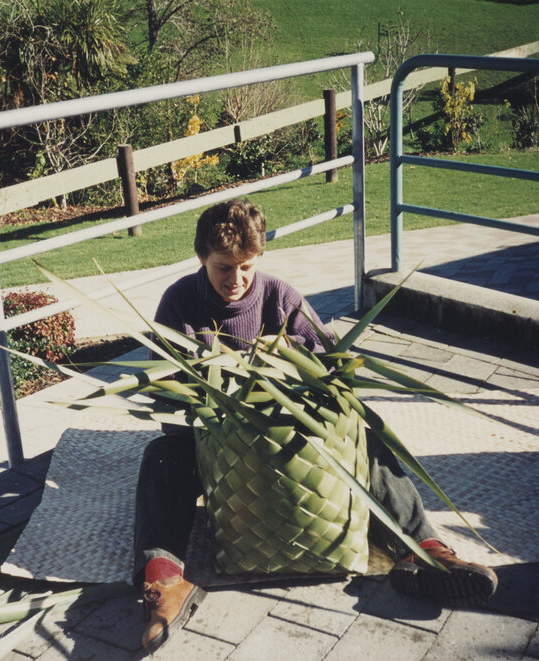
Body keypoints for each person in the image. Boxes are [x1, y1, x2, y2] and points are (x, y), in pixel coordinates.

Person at [135, 199, 498, 653]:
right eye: (222, 268)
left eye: (246, 267)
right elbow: (164, 396)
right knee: (160, 457)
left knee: (366, 438)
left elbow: (335, 370)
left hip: (292, 442)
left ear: (259, 258)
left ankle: (423, 551)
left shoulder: (279, 297)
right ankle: (164, 581)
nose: (236, 280)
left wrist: (289, 367)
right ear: (201, 259)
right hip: (216, 446)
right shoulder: (178, 303)